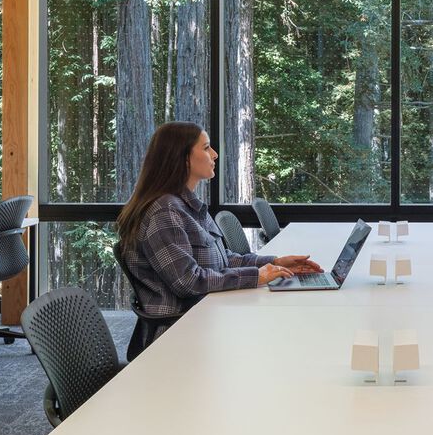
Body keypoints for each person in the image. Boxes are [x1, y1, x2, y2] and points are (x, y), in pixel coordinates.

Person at [115, 121, 322, 359]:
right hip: (180, 336)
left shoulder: (186, 205)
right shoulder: (164, 212)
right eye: (206, 148)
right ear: (182, 158)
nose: (214, 154)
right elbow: (187, 281)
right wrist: (258, 276)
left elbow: (224, 260)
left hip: (207, 318)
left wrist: (275, 262)